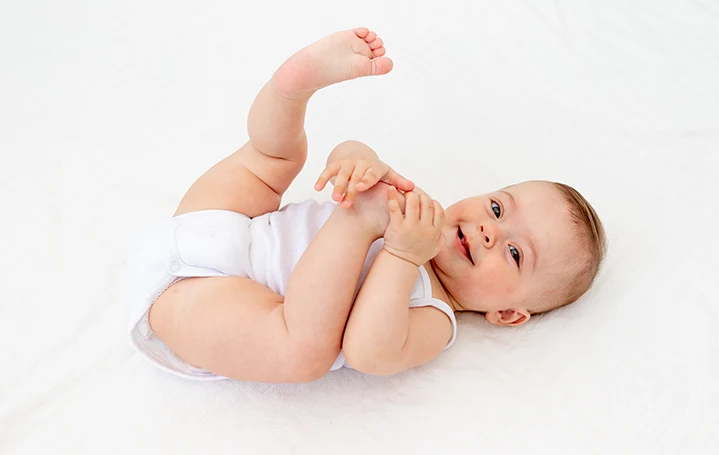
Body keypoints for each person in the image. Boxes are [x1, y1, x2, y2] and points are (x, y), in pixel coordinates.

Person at [128, 28, 606, 383]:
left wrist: (401, 255)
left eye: (515, 253)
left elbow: (368, 350)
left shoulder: (434, 315)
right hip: (232, 222)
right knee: (272, 159)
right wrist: (357, 159)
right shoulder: (416, 206)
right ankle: (291, 89)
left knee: (302, 352)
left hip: (213, 301)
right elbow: (345, 174)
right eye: (498, 210)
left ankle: (345, 219)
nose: (488, 231)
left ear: (507, 313)